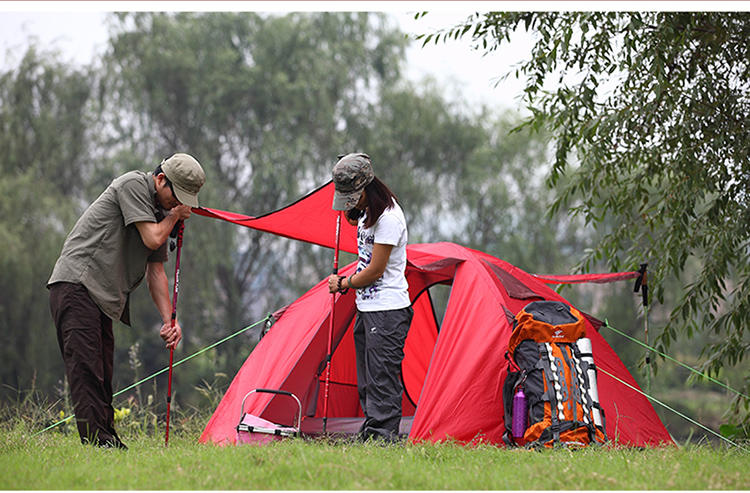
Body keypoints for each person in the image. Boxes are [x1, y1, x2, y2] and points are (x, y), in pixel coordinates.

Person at [47, 153, 206, 449]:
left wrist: (169, 321)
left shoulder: (160, 211)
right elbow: (151, 238)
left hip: (99, 296)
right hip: (76, 285)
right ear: (160, 179)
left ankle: (106, 441)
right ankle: (98, 444)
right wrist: (173, 217)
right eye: (177, 196)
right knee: (87, 371)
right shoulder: (132, 185)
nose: (178, 204)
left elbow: (156, 271)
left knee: (104, 372)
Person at [327, 152, 413, 442]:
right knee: (366, 378)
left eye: (354, 196)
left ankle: (384, 436)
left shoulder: (389, 218)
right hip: (368, 307)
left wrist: (343, 283)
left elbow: (376, 270)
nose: (351, 203)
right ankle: (373, 431)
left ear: (367, 188)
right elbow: (356, 223)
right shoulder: (367, 213)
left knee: (381, 377)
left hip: (387, 309)